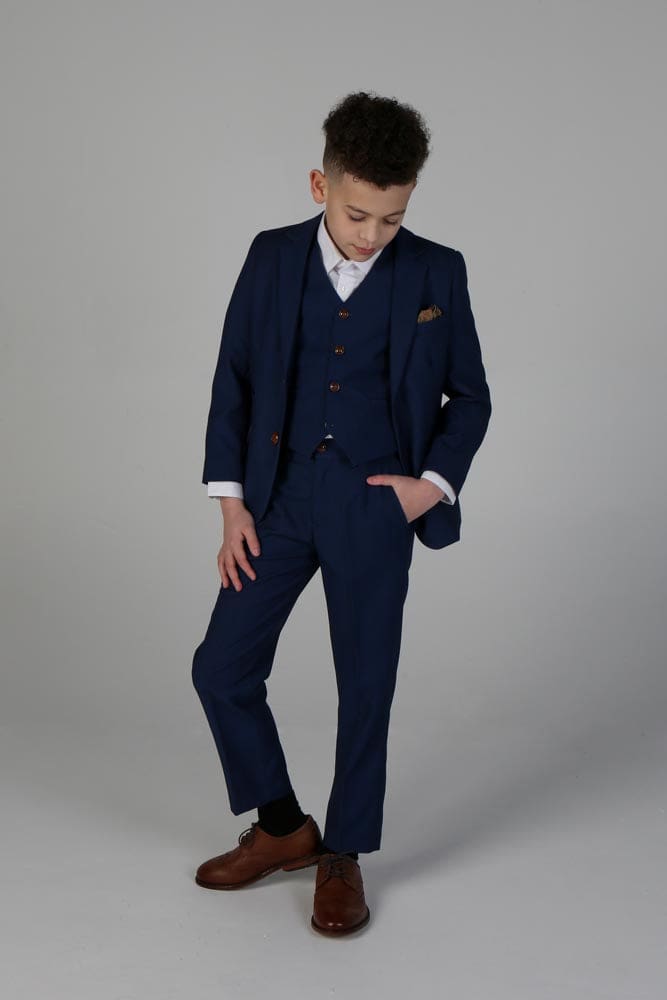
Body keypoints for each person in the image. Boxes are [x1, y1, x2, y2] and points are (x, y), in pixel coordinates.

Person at [191, 91, 492, 936]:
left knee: (365, 686)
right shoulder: (270, 256)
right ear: (319, 184)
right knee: (221, 669)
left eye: (392, 219)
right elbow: (233, 381)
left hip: (373, 505)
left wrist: (428, 487)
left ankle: (343, 854)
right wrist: (231, 506)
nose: (371, 235)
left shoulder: (436, 271)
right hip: (280, 499)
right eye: (358, 215)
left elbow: (469, 397)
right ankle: (284, 827)